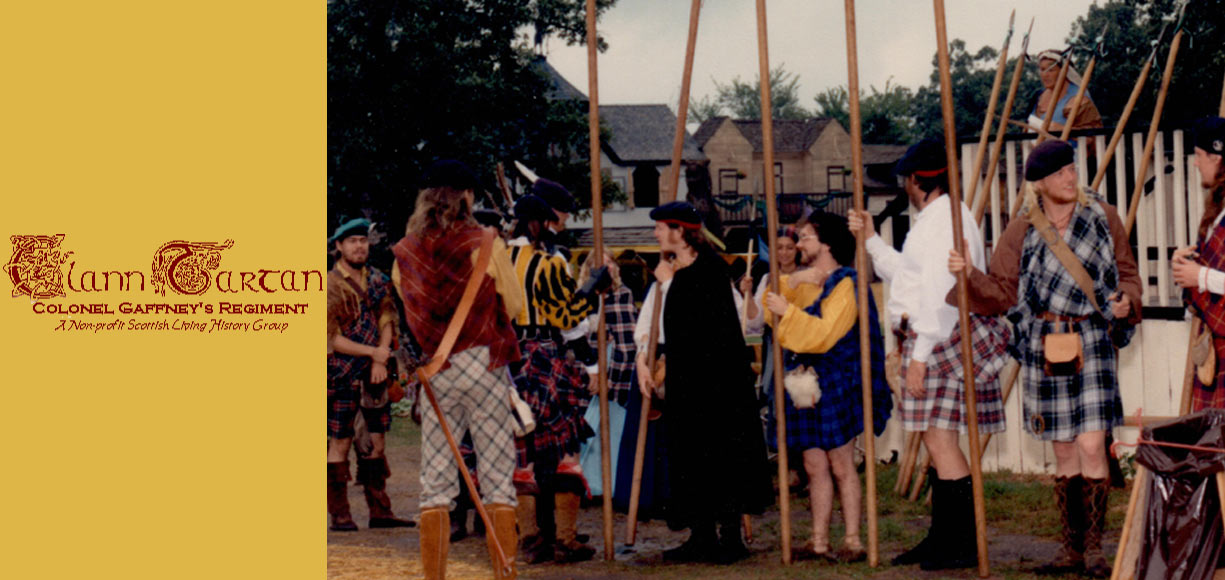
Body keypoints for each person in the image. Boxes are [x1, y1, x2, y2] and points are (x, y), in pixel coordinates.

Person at [949, 139, 1141, 578]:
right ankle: (1070, 551)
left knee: (1093, 444)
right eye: (1059, 174)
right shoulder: (1021, 230)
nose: (1071, 178)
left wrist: (1127, 302)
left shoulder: (1103, 217)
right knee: (1064, 451)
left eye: (1071, 169)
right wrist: (967, 275)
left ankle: (1094, 550)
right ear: (1039, 184)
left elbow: (1127, 274)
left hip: (1092, 337)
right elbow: (1002, 289)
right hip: (1044, 342)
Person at [848, 139, 1010, 571]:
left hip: (939, 340)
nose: (905, 187)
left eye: (906, 180)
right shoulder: (936, 219)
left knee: (940, 441)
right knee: (939, 443)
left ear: (919, 180)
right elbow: (909, 275)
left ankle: (958, 544)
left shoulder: (945, 222)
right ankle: (945, 539)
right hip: (933, 338)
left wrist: (919, 355)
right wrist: (870, 242)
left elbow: (942, 293)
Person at [392, 159, 524, 580]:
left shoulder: (404, 253)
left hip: (437, 371)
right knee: (499, 476)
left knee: (436, 482)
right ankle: (504, 572)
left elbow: (412, 312)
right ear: (466, 197)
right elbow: (516, 305)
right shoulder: (485, 243)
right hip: (483, 364)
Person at [640, 201, 772, 564]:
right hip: (688, 383)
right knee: (691, 456)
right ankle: (701, 535)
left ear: (679, 231)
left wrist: (673, 284)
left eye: (660, 227)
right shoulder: (680, 272)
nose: (655, 234)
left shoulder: (711, 271)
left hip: (718, 387)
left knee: (722, 456)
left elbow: (700, 325)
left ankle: (729, 538)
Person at [762, 211, 892, 561]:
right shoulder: (806, 279)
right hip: (806, 382)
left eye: (805, 237)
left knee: (841, 463)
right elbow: (768, 306)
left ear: (827, 243)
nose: (799, 244)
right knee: (813, 465)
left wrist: (785, 311)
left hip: (837, 381)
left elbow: (822, 334)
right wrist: (792, 283)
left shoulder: (847, 283)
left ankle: (853, 540)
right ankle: (818, 541)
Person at [505, 194, 600, 564]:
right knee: (565, 448)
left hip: (510, 361)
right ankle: (564, 539)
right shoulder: (547, 264)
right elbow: (566, 316)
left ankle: (530, 539)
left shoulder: (495, 261)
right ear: (537, 224)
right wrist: (592, 289)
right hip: (545, 356)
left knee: (522, 450)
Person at [326, 218, 417, 532]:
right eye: (351, 241)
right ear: (338, 246)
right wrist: (372, 354)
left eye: (362, 240)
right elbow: (330, 338)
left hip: (375, 376)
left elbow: (387, 318)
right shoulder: (328, 285)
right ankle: (340, 515)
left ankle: (380, 512)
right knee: (339, 443)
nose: (359, 246)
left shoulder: (378, 279)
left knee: (376, 443)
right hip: (339, 375)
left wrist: (381, 358)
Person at [1173, 117, 1225, 411]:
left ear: (1216, 158)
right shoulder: (1217, 209)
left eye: (1198, 156)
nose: (1195, 164)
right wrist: (1186, 267)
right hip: (1216, 345)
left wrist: (1201, 275)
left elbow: (1209, 277)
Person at [577, 250, 638, 497]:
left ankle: (609, 487)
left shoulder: (621, 295)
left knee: (610, 433)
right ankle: (586, 486)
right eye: (601, 262)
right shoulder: (581, 298)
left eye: (610, 261)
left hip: (613, 374)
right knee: (587, 432)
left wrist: (609, 379)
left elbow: (626, 345)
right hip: (585, 372)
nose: (608, 266)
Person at [1028, 49, 1104, 137]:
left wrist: (1062, 129)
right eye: (1042, 69)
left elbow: (1095, 136)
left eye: (1051, 70)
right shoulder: (1037, 96)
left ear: (1065, 72)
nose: (1045, 74)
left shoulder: (1080, 100)